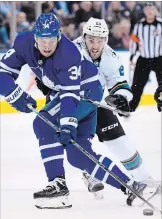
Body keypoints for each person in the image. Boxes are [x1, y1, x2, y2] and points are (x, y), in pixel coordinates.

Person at [0, 13, 155, 209]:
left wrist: (67, 123)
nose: (46, 46)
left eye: (51, 40)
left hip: (85, 92)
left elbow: (69, 96)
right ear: (35, 37)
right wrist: (14, 94)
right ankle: (131, 186)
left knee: (42, 124)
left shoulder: (69, 53)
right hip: (74, 93)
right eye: (42, 40)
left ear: (58, 37)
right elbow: (2, 72)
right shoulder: (23, 43)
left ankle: (58, 186)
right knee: (77, 155)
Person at [129, 1, 162, 112]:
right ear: (144, 11)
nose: (149, 11)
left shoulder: (161, 24)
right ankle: (130, 107)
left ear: (155, 10)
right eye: (147, 9)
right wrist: (132, 55)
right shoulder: (139, 25)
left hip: (159, 59)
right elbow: (134, 41)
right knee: (137, 85)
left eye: (152, 9)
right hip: (144, 59)